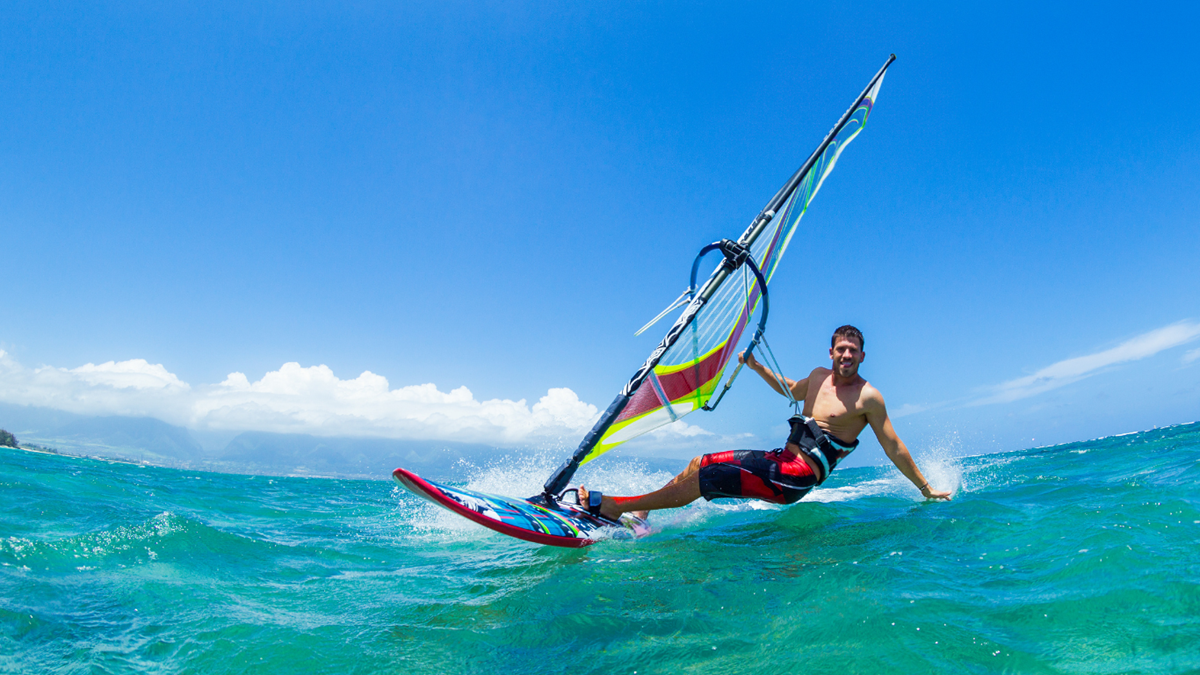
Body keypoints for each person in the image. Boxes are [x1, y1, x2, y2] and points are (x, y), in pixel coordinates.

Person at [578, 325, 951, 521]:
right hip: (780, 462)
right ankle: (640, 512)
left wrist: (925, 487)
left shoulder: (868, 397)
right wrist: (756, 367)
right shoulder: (819, 376)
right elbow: (789, 388)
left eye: (853, 351)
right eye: (841, 349)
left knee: (707, 469)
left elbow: (893, 446)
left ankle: (617, 507)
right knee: (698, 464)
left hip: (795, 476)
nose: (847, 355)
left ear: (863, 355)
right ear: (832, 352)